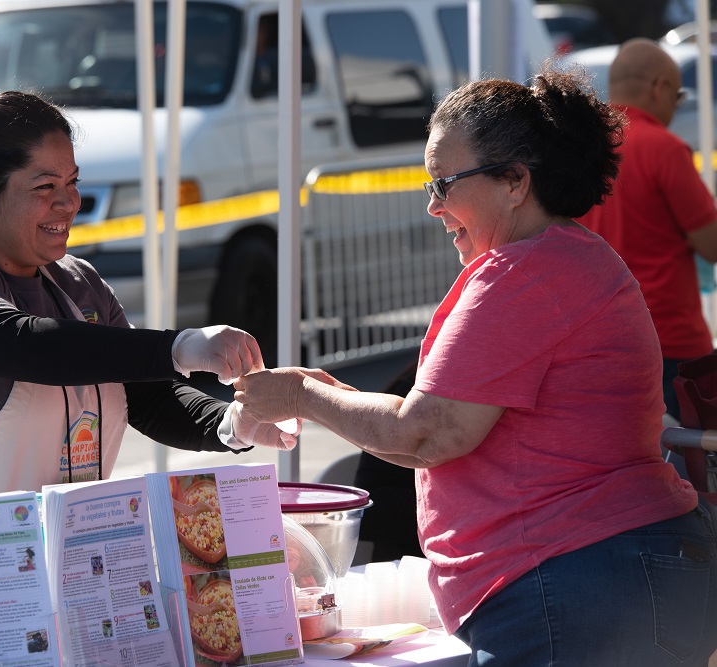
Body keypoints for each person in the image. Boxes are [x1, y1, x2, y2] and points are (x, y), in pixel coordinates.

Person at [235, 66, 717, 665]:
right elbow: (436, 423)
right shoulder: (567, 259)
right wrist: (320, 390)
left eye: (445, 183)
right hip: (609, 573)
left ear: (515, 181)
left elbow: (427, 432)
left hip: (577, 579)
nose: (434, 206)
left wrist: (302, 397)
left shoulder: (520, 275)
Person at [0, 90, 296, 581]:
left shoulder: (79, 282)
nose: (68, 202)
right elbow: (31, 346)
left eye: (72, 182)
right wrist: (181, 347)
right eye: (44, 186)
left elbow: (146, 397)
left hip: (23, 569)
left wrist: (234, 423)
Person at [579, 38, 717, 423]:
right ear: (659, 87)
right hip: (670, 339)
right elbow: (711, 245)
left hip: (596, 339)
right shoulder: (665, 148)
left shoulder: (581, 151)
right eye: (678, 95)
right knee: (686, 462)